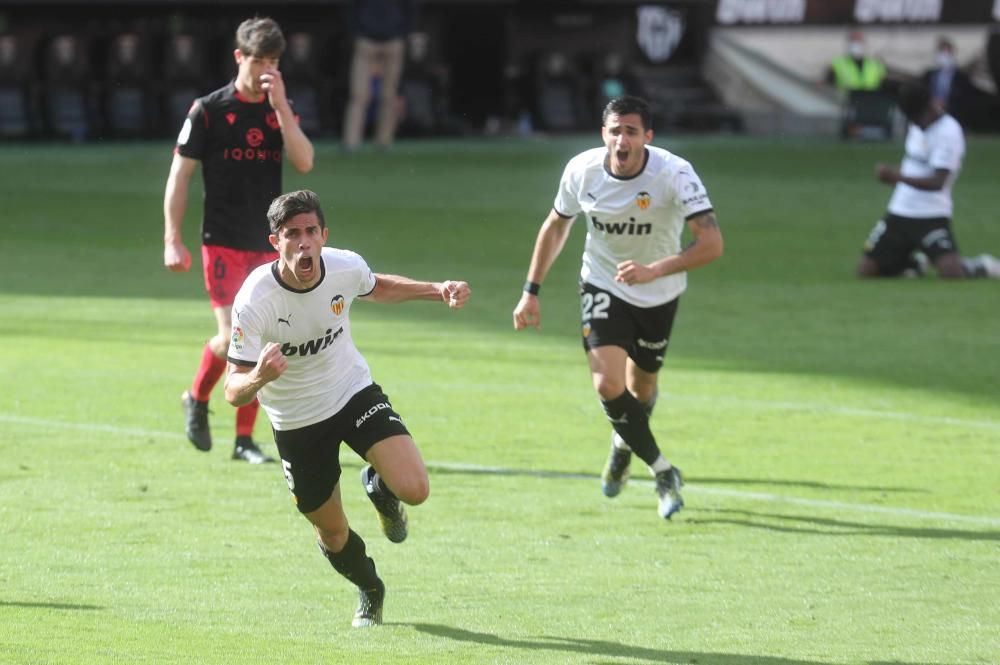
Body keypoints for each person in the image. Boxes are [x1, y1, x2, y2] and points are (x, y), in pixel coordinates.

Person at [224, 189, 471, 626]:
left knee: (415, 488)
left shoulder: (344, 266)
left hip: (351, 392)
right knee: (333, 532)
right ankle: (369, 587)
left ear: (323, 235)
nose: (304, 243)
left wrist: (437, 289)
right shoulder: (255, 301)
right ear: (274, 242)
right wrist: (259, 377)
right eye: (292, 234)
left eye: (311, 232)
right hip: (296, 421)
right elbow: (233, 390)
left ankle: (380, 488)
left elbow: (376, 286)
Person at [512, 96, 723, 521]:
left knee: (641, 389)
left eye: (631, 131)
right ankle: (663, 471)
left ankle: (622, 446)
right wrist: (531, 290)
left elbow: (712, 244)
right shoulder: (582, 171)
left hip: (658, 291)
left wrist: (654, 270)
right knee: (608, 384)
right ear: (603, 134)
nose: (622, 140)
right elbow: (556, 226)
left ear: (648, 136)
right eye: (615, 130)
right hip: (602, 283)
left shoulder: (674, 173)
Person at [163, 17, 315, 463]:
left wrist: (283, 106)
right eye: (258, 60)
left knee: (263, 337)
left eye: (274, 61)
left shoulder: (277, 109)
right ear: (239, 57)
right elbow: (180, 177)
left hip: (269, 242)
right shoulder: (207, 111)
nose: (266, 69)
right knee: (234, 337)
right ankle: (197, 396)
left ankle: (243, 439)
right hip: (223, 239)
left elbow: (304, 162)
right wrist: (173, 238)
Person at [857, 83, 1000, 280]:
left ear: (931, 107)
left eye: (917, 119)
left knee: (951, 273)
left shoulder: (949, 132)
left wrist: (897, 177)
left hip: (932, 215)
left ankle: (982, 266)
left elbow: (937, 182)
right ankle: (916, 264)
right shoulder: (917, 125)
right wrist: (894, 175)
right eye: (911, 120)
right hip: (900, 211)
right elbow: (914, 168)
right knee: (866, 270)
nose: (915, 124)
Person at [341, 0, 417, 151]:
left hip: (393, 41)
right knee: (359, 94)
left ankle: (384, 141)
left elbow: (412, 8)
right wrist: (357, 33)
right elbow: (349, 8)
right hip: (367, 41)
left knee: (389, 95)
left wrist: (402, 33)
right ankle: (351, 142)